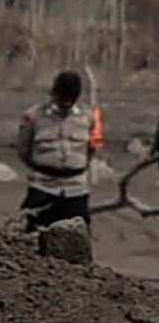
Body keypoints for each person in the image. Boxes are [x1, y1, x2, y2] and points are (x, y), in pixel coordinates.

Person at [21, 69, 104, 249]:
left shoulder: (87, 117)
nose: (66, 103)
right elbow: (23, 149)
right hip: (42, 185)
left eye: (70, 99)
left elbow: (91, 150)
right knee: (34, 239)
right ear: (54, 94)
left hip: (76, 188)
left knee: (77, 240)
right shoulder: (34, 116)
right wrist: (44, 167)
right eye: (63, 98)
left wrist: (75, 168)